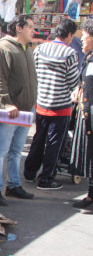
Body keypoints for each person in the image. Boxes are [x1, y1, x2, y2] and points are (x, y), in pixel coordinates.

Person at [23, 19, 80, 190]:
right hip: (60, 106)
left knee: (38, 139)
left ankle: (29, 172)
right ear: (69, 35)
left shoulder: (40, 49)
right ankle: (46, 178)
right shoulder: (70, 53)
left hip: (41, 102)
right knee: (55, 144)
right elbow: (73, 82)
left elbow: (33, 72)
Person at [0, 15, 38, 206]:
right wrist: (6, 102)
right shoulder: (4, 47)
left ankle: (13, 185)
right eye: (30, 27)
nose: (33, 31)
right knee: (0, 150)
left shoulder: (27, 49)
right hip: (10, 109)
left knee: (16, 150)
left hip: (25, 109)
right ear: (19, 28)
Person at [70, 19, 93, 209]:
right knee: (90, 156)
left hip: (91, 113)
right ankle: (91, 195)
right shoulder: (88, 58)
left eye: (85, 36)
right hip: (86, 114)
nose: (82, 40)